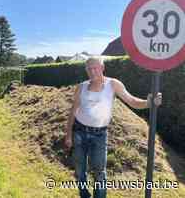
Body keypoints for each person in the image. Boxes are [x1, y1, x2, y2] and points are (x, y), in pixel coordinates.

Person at [64, 56, 162, 198]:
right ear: (86, 70)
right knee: (80, 171)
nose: (92, 71)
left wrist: (148, 102)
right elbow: (73, 111)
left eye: (95, 68)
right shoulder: (81, 87)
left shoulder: (113, 84)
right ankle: (84, 195)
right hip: (79, 132)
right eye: (89, 69)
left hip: (100, 135)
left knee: (99, 172)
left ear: (102, 68)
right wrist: (68, 135)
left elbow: (132, 101)